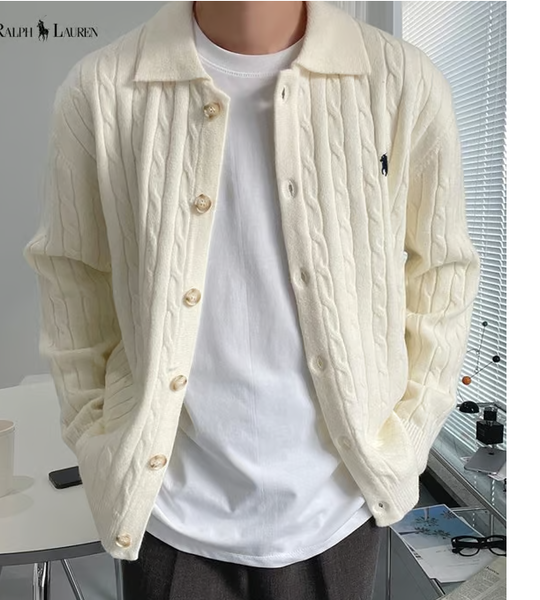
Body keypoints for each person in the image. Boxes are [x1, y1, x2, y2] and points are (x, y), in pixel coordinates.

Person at [23, 2, 481, 599]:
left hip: (338, 513)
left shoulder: (402, 83)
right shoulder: (102, 90)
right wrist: (95, 436)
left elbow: (443, 273)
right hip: (172, 517)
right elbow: (70, 273)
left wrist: (407, 436)